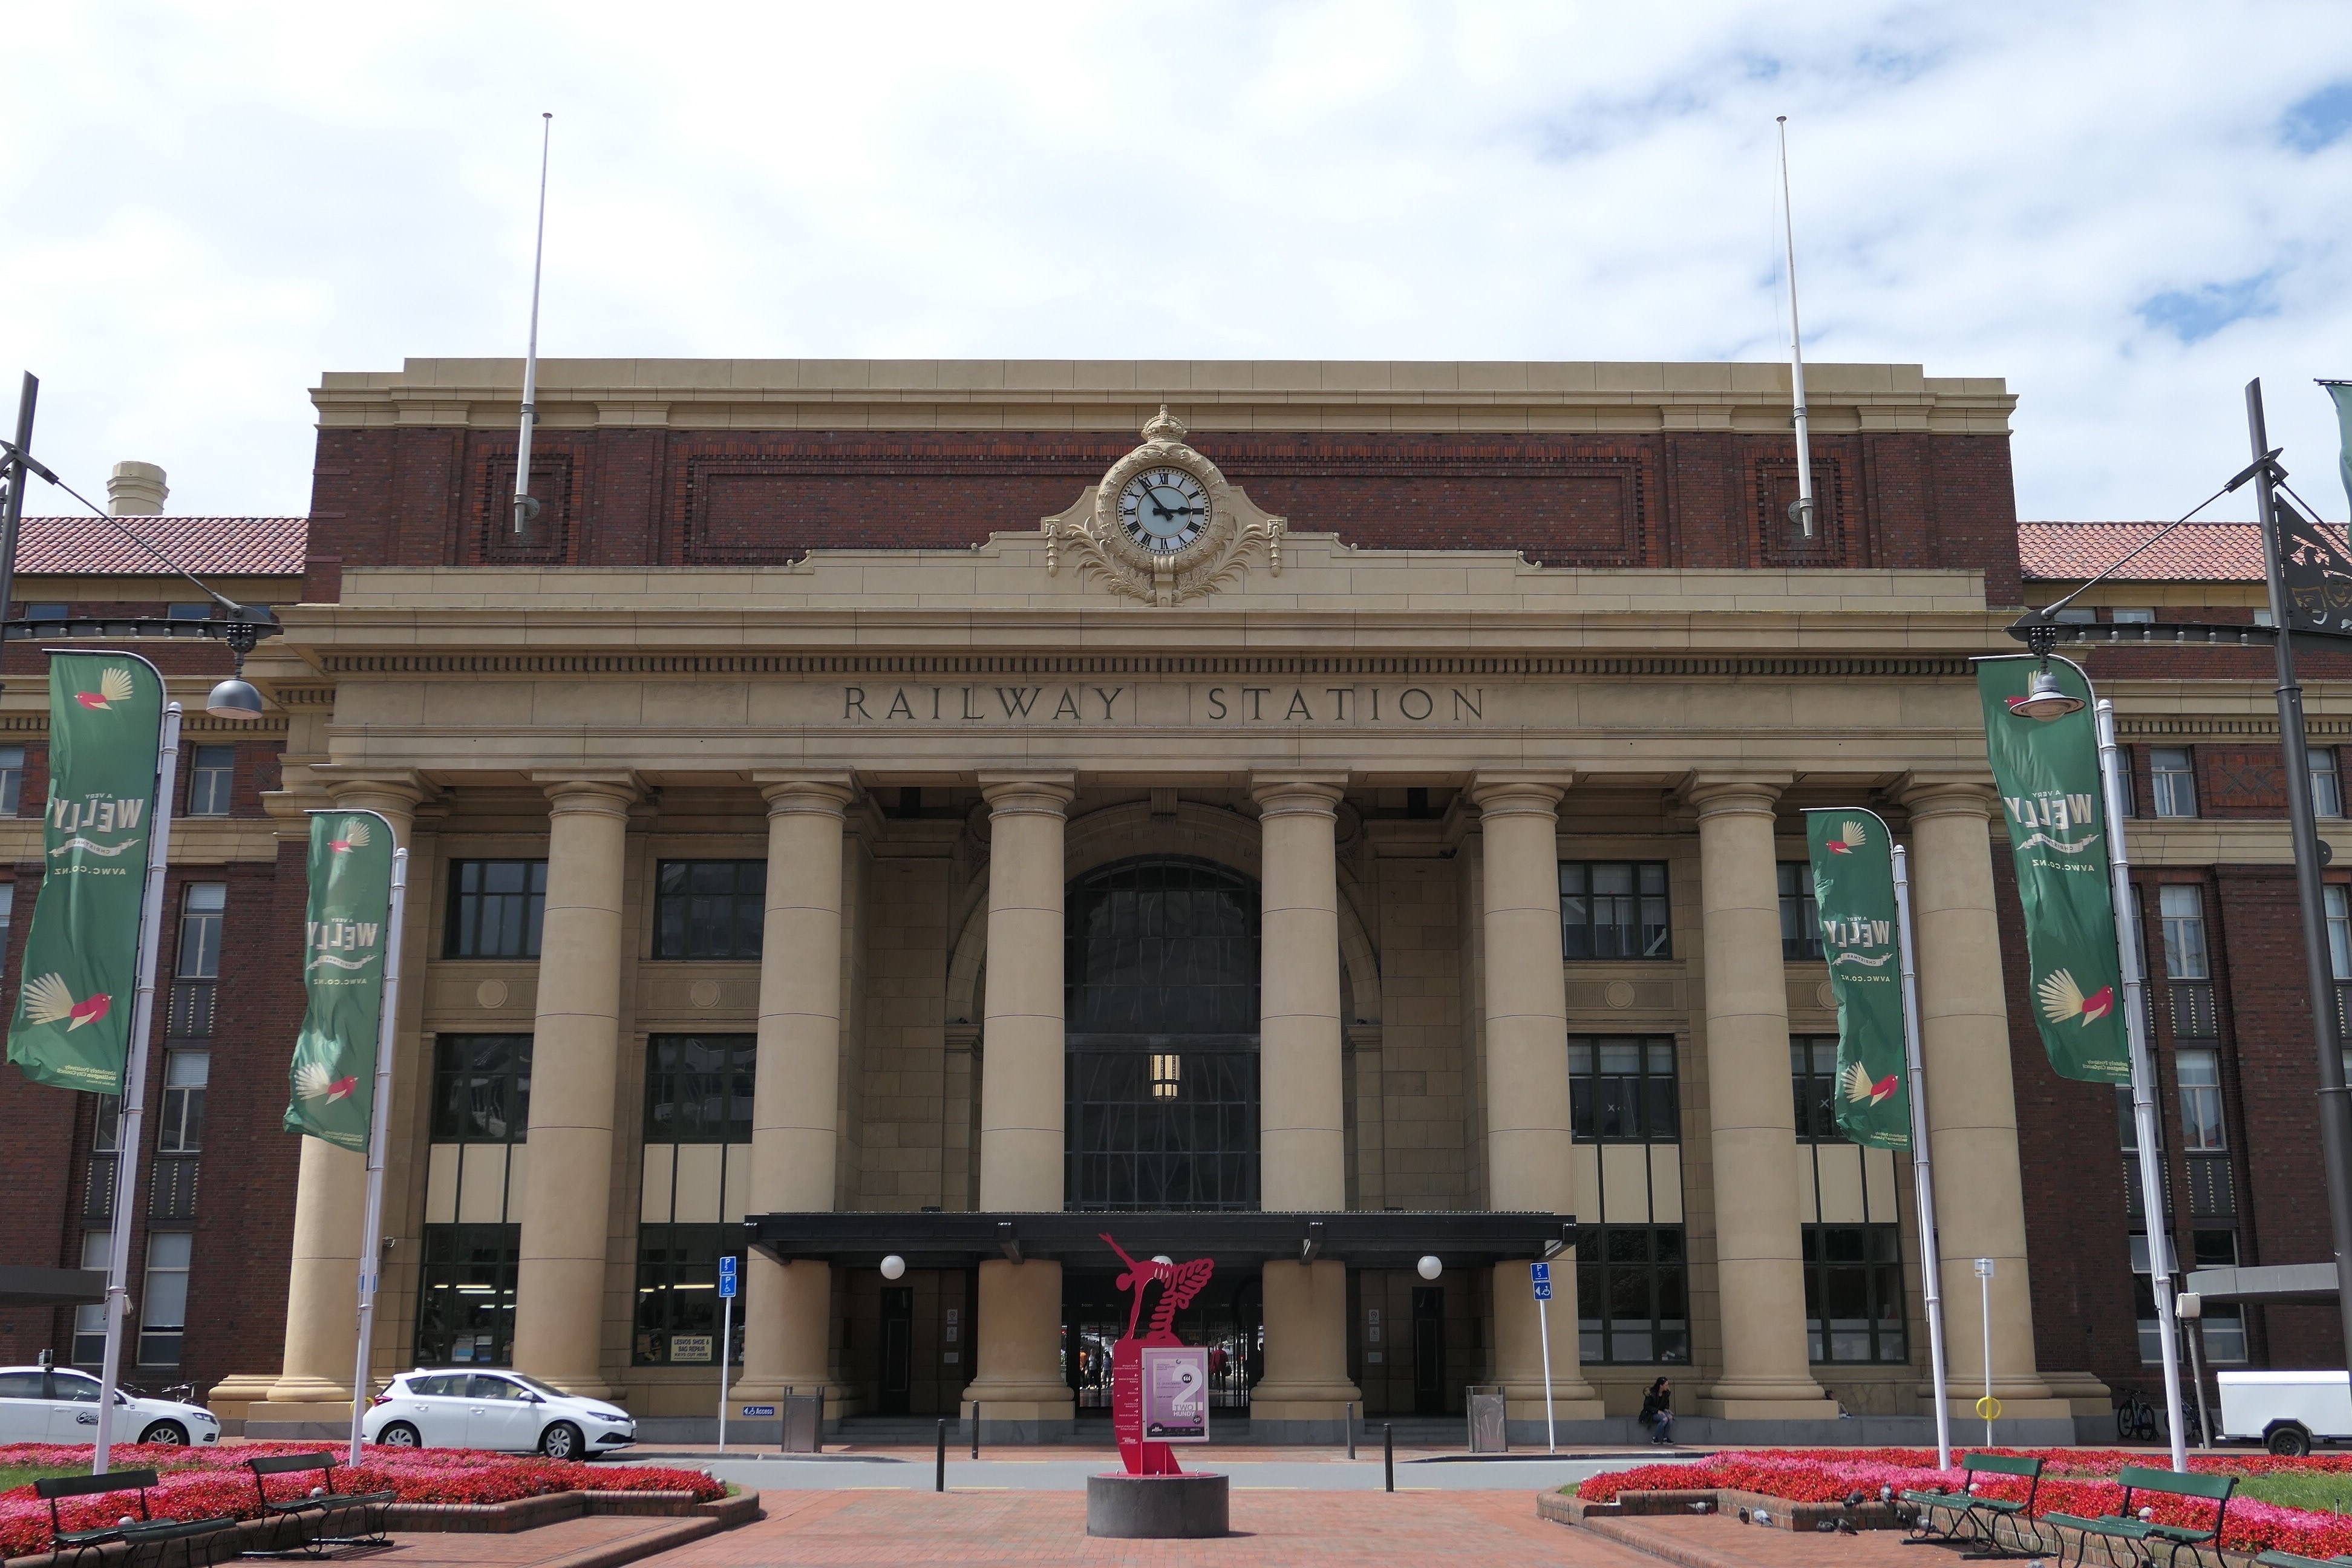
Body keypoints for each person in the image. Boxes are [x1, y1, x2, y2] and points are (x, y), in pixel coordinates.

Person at [1638, 1377, 1674, 1445]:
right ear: (1661, 1386)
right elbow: (1646, 1406)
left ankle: (1665, 1439)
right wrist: (1657, 1411)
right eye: (1666, 1385)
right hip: (1651, 1413)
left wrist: (1666, 1409)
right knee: (1664, 1419)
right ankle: (1655, 1438)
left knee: (1670, 1417)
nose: (1667, 1387)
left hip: (1661, 1411)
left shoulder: (1666, 1393)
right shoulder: (1652, 1393)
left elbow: (1666, 1404)